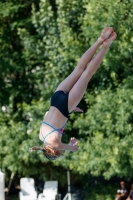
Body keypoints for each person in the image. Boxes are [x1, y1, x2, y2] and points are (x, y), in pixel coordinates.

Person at [30, 27, 117, 160]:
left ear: (53, 152)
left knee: (87, 74)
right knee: (79, 69)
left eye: (60, 153)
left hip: (66, 106)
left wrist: (71, 145)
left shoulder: (55, 144)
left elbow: (74, 148)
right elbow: (47, 114)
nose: (61, 151)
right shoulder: (41, 136)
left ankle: (106, 45)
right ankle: (100, 39)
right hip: (55, 99)